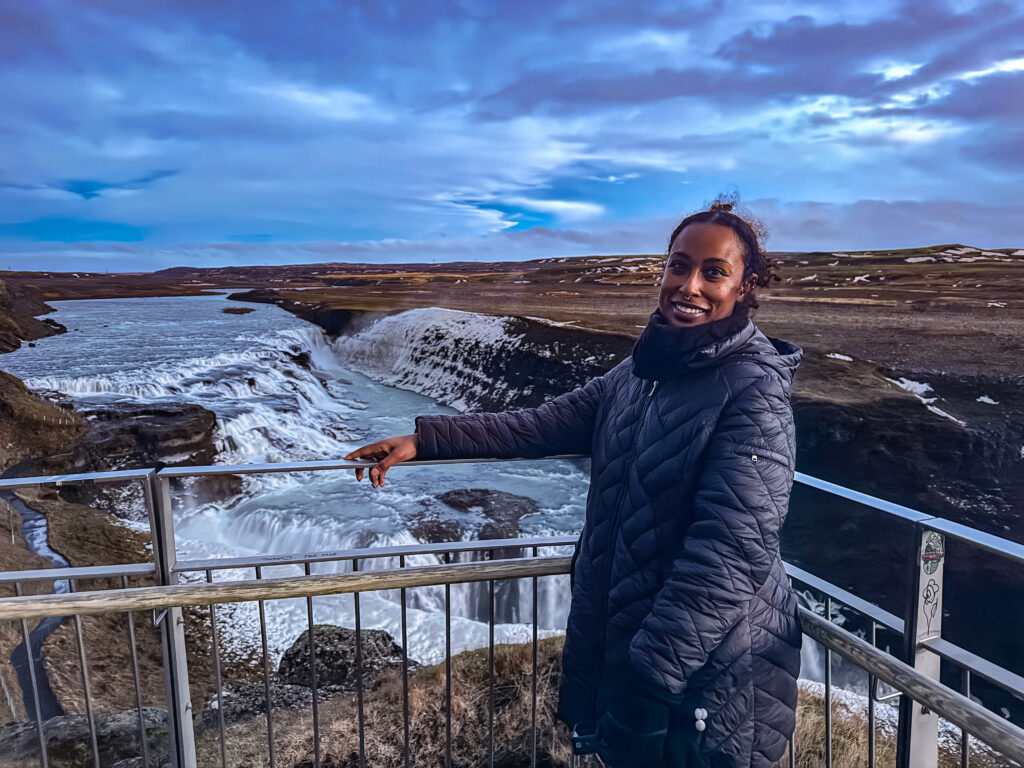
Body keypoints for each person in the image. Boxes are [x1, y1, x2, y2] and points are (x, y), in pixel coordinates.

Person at [343, 199, 803, 768]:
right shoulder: (641, 374)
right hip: (630, 645)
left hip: (705, 672)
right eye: (678, 265)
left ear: (745, 286)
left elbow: (731, 554)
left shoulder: (752, 390)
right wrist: (426, 440)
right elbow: (541, 423)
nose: (689, 285)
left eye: (714, 272)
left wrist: (652, 677)